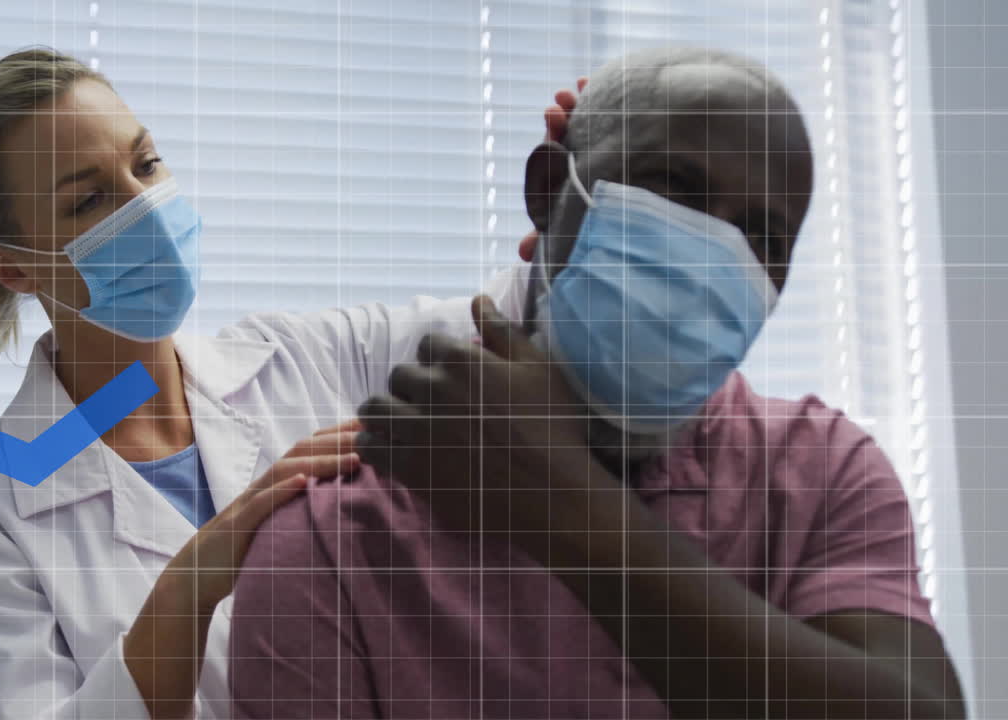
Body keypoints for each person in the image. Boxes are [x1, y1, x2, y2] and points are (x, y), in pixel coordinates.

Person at [229, 47, 967, 719]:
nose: (712, 254)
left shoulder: (823, 473)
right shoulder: (334, 544)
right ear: (550, 190)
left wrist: (562, 498)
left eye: (762, 238)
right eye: (674, 190)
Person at [0, 47, 570, 719]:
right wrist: (190, 583)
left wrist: (587, 203)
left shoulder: (302, 358)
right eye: (89, 200)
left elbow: (518, 317)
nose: (147, 208)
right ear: (14, 268)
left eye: (146, 164)